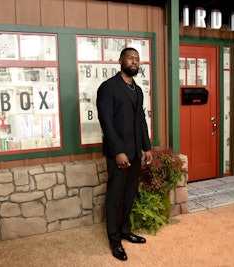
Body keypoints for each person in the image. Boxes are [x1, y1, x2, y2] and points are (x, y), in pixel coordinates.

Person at [96, 47, 153, 261]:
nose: (135, 62)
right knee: (115, 197)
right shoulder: (108, 88)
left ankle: (125, 231)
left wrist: (147, 147)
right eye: (131, 58)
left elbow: (141, 121)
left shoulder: (137, 90)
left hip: (136, 152)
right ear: (120, 60)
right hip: (118, 154)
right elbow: (106, 123)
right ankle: (114, 239)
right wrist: (118, 151)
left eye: (137, 59)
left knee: (129, 195)